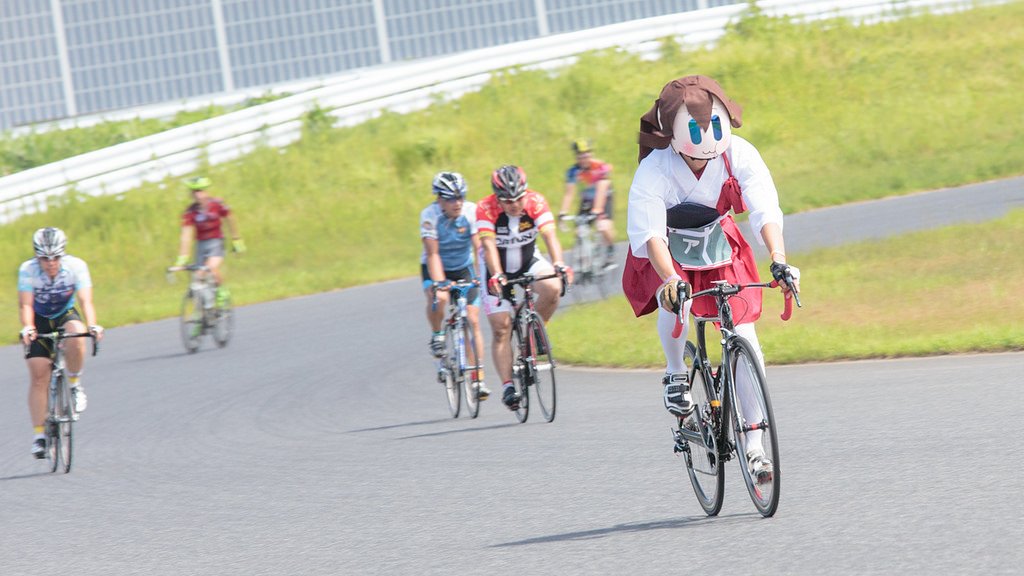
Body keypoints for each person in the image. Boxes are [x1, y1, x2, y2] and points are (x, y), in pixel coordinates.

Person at [622, 75, 800, 481]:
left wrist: (779, 258)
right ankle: (675, 372)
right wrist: (669, 278)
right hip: (669, 246)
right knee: (677, 298)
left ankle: (755, 446)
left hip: (718, 239)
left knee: (747, 335)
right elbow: (650, 235)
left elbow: (763, 208)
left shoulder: (739, 154)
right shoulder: (655, 169)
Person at [477, 165, 573, 410]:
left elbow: (550, 236)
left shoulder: (536, 201)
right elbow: (488, 246)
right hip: (496, 267)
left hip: (528, 259)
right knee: (501, 328)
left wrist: (560, 263)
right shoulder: (485, 208)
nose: (514, 204)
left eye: (518, 198)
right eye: (507, 200)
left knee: (552, 287)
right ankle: (508, 386)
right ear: (497, 197)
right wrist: (497, 274)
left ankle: (535, 332)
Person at [18, 227, 104, 458]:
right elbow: (25, 304)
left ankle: (75, 386)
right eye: (45, 258)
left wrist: (93, 325)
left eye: (55, 257)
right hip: (40, 319)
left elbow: (86, 300)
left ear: (62, 254)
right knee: (38, 375)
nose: (51, 263)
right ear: (37, 256)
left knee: (77, 333)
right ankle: (39, 437)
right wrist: (28, 327)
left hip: (65, 314)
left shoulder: (76, 266)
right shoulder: (28, 270)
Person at [420, 171, 490, 400]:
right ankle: (438, 334)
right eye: (451, 198)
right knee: (439, 299)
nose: (457, 203)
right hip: (436, 265)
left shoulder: (470, 211)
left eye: (460, 197)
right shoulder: (429, 215)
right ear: (439, 199)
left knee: (472, 319)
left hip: (463, 266)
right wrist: (440, 283)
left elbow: (479, 248)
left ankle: (478, 378)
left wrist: (482, 275)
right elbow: (432, 253)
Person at [173, 176, 245, 307]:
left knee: (210, 268)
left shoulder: (216, 204)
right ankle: (203, 311)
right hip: (201, 245)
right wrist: (182, 258)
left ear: (206, 191)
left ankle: (222, 291)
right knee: (197, 276)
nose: (197, 195)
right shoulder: (190, 212)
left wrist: (236, 239)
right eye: (194, 192)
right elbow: (186, 235)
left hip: (216, 242)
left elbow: (230, 218)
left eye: (200, 191)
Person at [559, 138, 617, 268]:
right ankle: (584, 252)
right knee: (579, 228)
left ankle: (610, 252)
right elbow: (569, 193)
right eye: (581, 155)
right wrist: (563, 213)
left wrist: (597, 210)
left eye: (586, 154)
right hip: (587, 199)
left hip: (604, 197)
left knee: (603, 226)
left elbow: (602, 189)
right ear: (577, 156)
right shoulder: (573, 171)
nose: (584, 158)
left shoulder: (599, 167)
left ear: (590, 154)